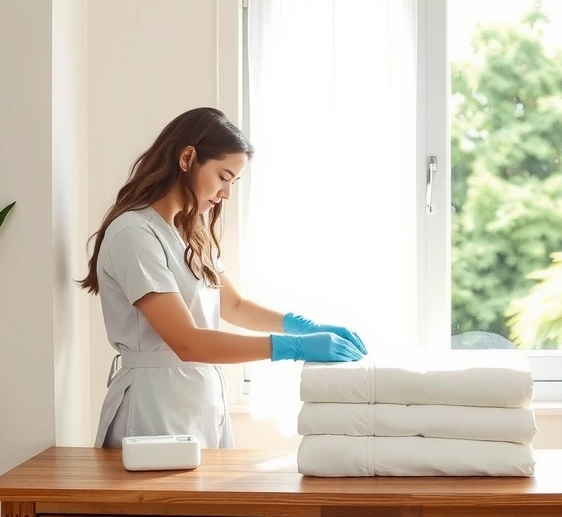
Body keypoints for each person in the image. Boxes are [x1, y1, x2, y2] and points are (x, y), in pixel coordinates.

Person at [80, 106, 366, 448]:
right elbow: (187, 341)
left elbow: (234, 305)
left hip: (197, 400)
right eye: (224, 176)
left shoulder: (190, 231)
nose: (227, 193)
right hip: (152, 409)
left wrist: (302, 325)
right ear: (187, 158)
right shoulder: (134, 234)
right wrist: (292, 347)